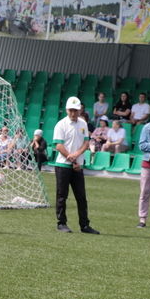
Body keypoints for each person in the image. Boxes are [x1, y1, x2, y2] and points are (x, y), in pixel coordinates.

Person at [52, 96, 99, 234]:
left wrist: (76, 156)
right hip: (63, 165)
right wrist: (72, 158)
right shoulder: (61, 124)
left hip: (77, 165)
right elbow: (58, 145)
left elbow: (86, 143)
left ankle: (84, 225)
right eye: (71, 110)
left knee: (81, 196)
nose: (73, 113)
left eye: (76, 110)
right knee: (62, 195)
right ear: (67, 110)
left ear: (80, 110)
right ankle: (61, 223)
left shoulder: (83, 124)